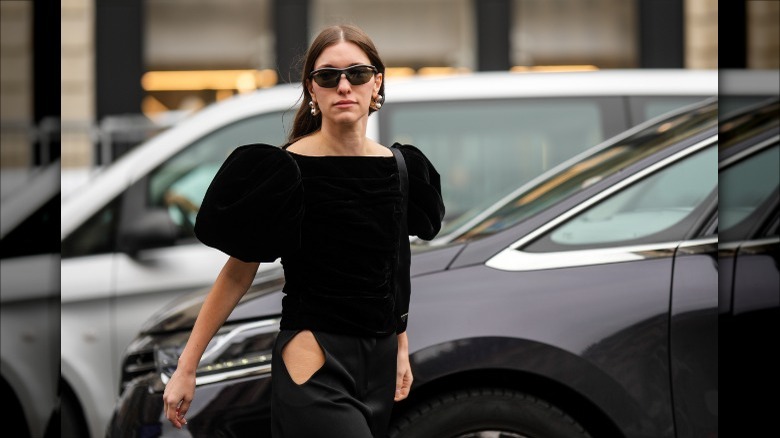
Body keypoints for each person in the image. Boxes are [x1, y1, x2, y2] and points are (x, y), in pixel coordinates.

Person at [162, 24, 444, 437]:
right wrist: (187, 369)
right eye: (328, 76)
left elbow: (394, 270)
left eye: (357, 74)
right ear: (312, 89)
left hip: (379, 364)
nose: (343, 86)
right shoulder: (286, 171)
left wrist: (401, 347)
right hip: (315, 360)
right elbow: (238, 273)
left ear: (377, 83)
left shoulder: (399, 168)